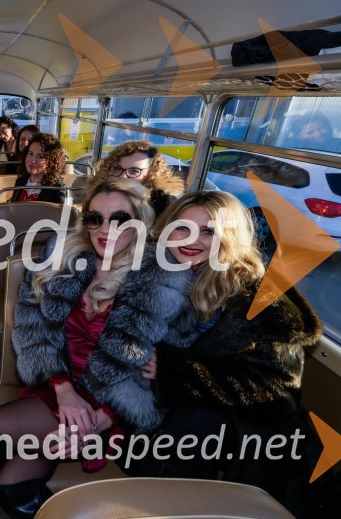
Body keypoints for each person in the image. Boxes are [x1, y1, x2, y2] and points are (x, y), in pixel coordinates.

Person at [89, 190, 323, 518]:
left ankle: (168, 508)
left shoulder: (261, 303)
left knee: (195, 422)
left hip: (249, 427)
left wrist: (175, 372)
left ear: (230, 238)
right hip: (174, 408)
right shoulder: (157, 272)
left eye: (209, 231)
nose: (192, 239)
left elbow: (274, 389)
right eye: (183, 227)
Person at [0, 179, 155, 519]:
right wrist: (62, 388)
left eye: (119, 218)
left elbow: (151, 379)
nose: (105, 229)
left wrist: (96, 422)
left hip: (109, 403)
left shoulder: (156, 281)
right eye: (95, 218)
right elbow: (33, 331)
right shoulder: (63, 259)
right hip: (58, 384)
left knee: (8, 478)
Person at [85, 140, 184, 217]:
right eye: (117, 169)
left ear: (151, 174)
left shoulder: (161, 204)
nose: (123, 176)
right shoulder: (99, 194)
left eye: (134, 171)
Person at [10, 132, 67, 204]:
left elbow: (66, 214)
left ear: (51, 161)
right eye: (30, 154)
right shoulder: (21, 181)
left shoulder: (57, 188)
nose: (32, 161)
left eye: (40, 156)